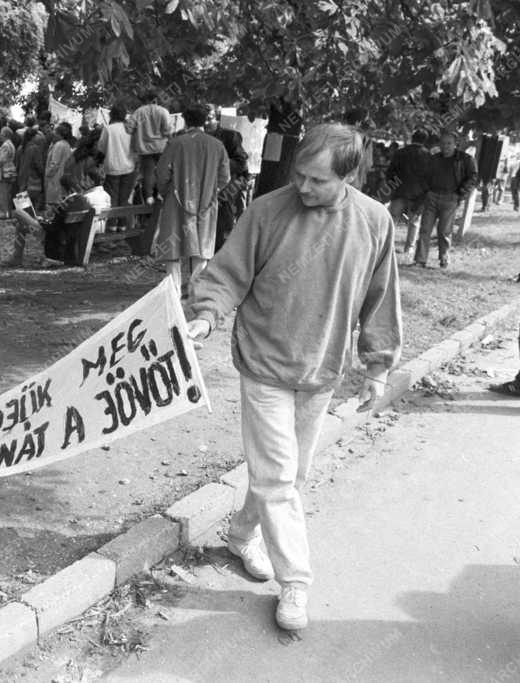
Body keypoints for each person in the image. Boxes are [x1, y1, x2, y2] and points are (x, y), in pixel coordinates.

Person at [187, 123, 402, 632]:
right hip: (263, 362)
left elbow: (380, 298)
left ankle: (241, 535)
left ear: (349, 176)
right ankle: (296, 584)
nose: (303, 188)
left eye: (317, 181)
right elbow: (227, 273)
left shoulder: (374, 221)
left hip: (321, 368)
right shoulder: (266, 211)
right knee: (279, 478)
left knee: (287, 477)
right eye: (299, 175)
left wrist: (377, 365)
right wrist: (207, 313)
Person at [155, 104, 230, 294]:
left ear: (185, 120)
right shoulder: (217, 145)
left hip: (177, 199)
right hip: (206, 201)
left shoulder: (176, 143)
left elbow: (162, 173)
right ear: (205, 120)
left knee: (173, 248)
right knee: (201, 249)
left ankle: (173, 293)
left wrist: (166, 192)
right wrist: (213, 191)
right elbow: (225, 177)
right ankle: (196, 293)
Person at [409, 130, 476, 269]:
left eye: (449, 143)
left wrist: (461, 193)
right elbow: (424, 178)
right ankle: (420, 260)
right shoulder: (434, 159)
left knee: (444, 231)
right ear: (439, 144)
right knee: (425, 229)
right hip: (432, 196)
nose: (446, 146)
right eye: (443, 143)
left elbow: (473, 178)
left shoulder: (465, 159)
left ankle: (444, 259)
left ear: (455, 144)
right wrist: (425, 194)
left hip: (451, 198)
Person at [386, 130, 430, 256]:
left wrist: (392, 186)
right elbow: (429, 177)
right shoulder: (428, 156)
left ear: (412, 138)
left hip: (399, 190)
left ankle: (388, 245)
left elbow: (390, 172)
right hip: (418, 193)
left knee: (393, 219)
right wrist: (424, 193)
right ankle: (409, 248)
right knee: (414, 222)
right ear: (424, 141)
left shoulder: (400, 153)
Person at [130, 89, 172, 202]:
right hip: (161, 147)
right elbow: (168, 130)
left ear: (146, 100)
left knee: (148, 173)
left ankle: (148, 197)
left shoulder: (139, 112)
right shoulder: (163, 111)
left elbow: (129, 128)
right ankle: (160, 194)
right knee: (162, 171)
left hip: (144, 149)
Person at [212, 126, 250, 250]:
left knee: (223, 221)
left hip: (225, 193)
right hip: (220, 193)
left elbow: (241, 165)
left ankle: (220, 250)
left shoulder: (229, 137)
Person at [99, 104, 136, 229]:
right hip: (129, 168)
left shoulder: (108, 129)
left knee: (112, 198)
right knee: (124, 198)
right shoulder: (130, 130)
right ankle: (123, 225)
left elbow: (101, 148)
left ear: (111, 114)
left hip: (112, 168)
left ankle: (112, 225)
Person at [44, 122, 73, 207]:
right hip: (61, 179)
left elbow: (54, 164)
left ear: (59, 134)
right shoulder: (66, 145)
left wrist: (47, 174)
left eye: (55, 133)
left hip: (55, 180)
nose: (54, 134)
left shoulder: (59, 145)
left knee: (53, 204)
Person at [0, 126, 16, 220]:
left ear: (5, 135)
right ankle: (8, 212)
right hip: (10, 171)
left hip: (4, 171)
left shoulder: (6, 145)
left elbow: (1, 160)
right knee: (8, 192)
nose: (0, 136)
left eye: (2, 134)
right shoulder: (11, 144)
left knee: (2, 192)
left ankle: (2, 212)